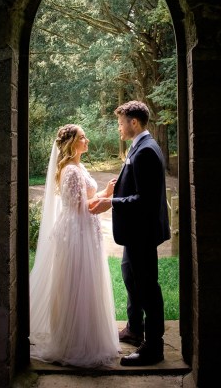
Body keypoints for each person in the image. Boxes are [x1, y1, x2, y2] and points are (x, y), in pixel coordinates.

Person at [29, 123, 120, 368]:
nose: (87, 140)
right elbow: (83, 206)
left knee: (87, 282)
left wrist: (105, 190)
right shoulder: (70, 170)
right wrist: (111, 200)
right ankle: (74, 341)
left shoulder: (79, 166)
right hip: (76, 233)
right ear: (71, 143)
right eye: (82, 137)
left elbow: (86, 199)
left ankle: (87, 336)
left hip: (83, 228)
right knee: (77, 282)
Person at [89, 100, 170, 366]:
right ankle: (135, 329)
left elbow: (145, 200)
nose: (119, 128)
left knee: (147, 287)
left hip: (142, 232)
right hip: (135, 232)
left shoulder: (146, 150)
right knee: (130, 277)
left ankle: (154, 347)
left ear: (134, 122)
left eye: (121, 123)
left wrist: (109, 202)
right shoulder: (140, 146)